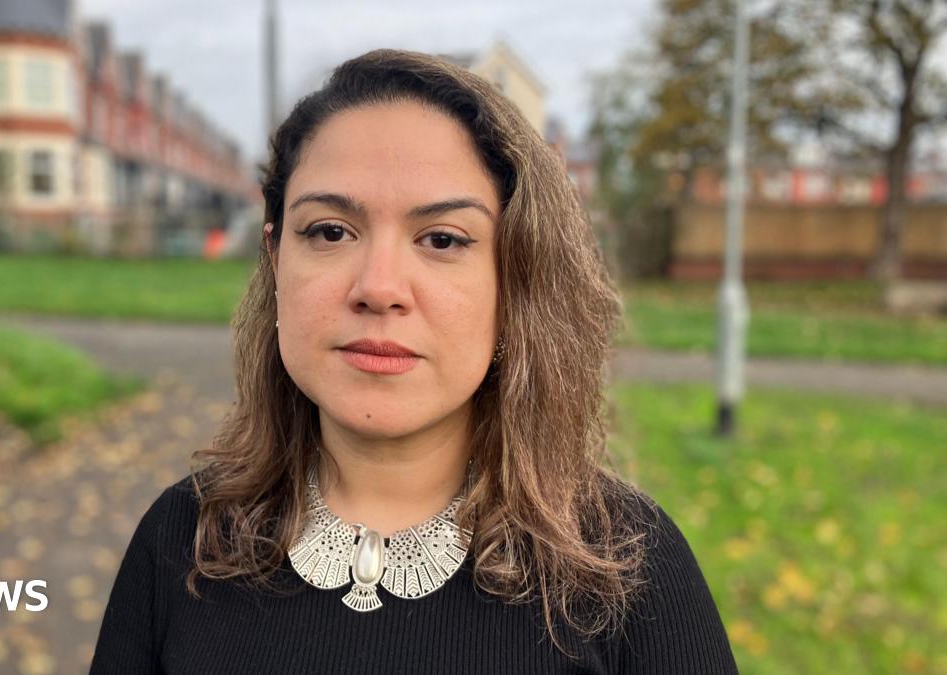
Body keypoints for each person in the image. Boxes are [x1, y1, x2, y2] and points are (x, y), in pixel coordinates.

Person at [90, 48, 738, 674]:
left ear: (515, 281)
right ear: (276, 258)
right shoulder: (181, 541)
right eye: (330, 231)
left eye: (442, 239)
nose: (379, 287)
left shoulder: (630, 569)